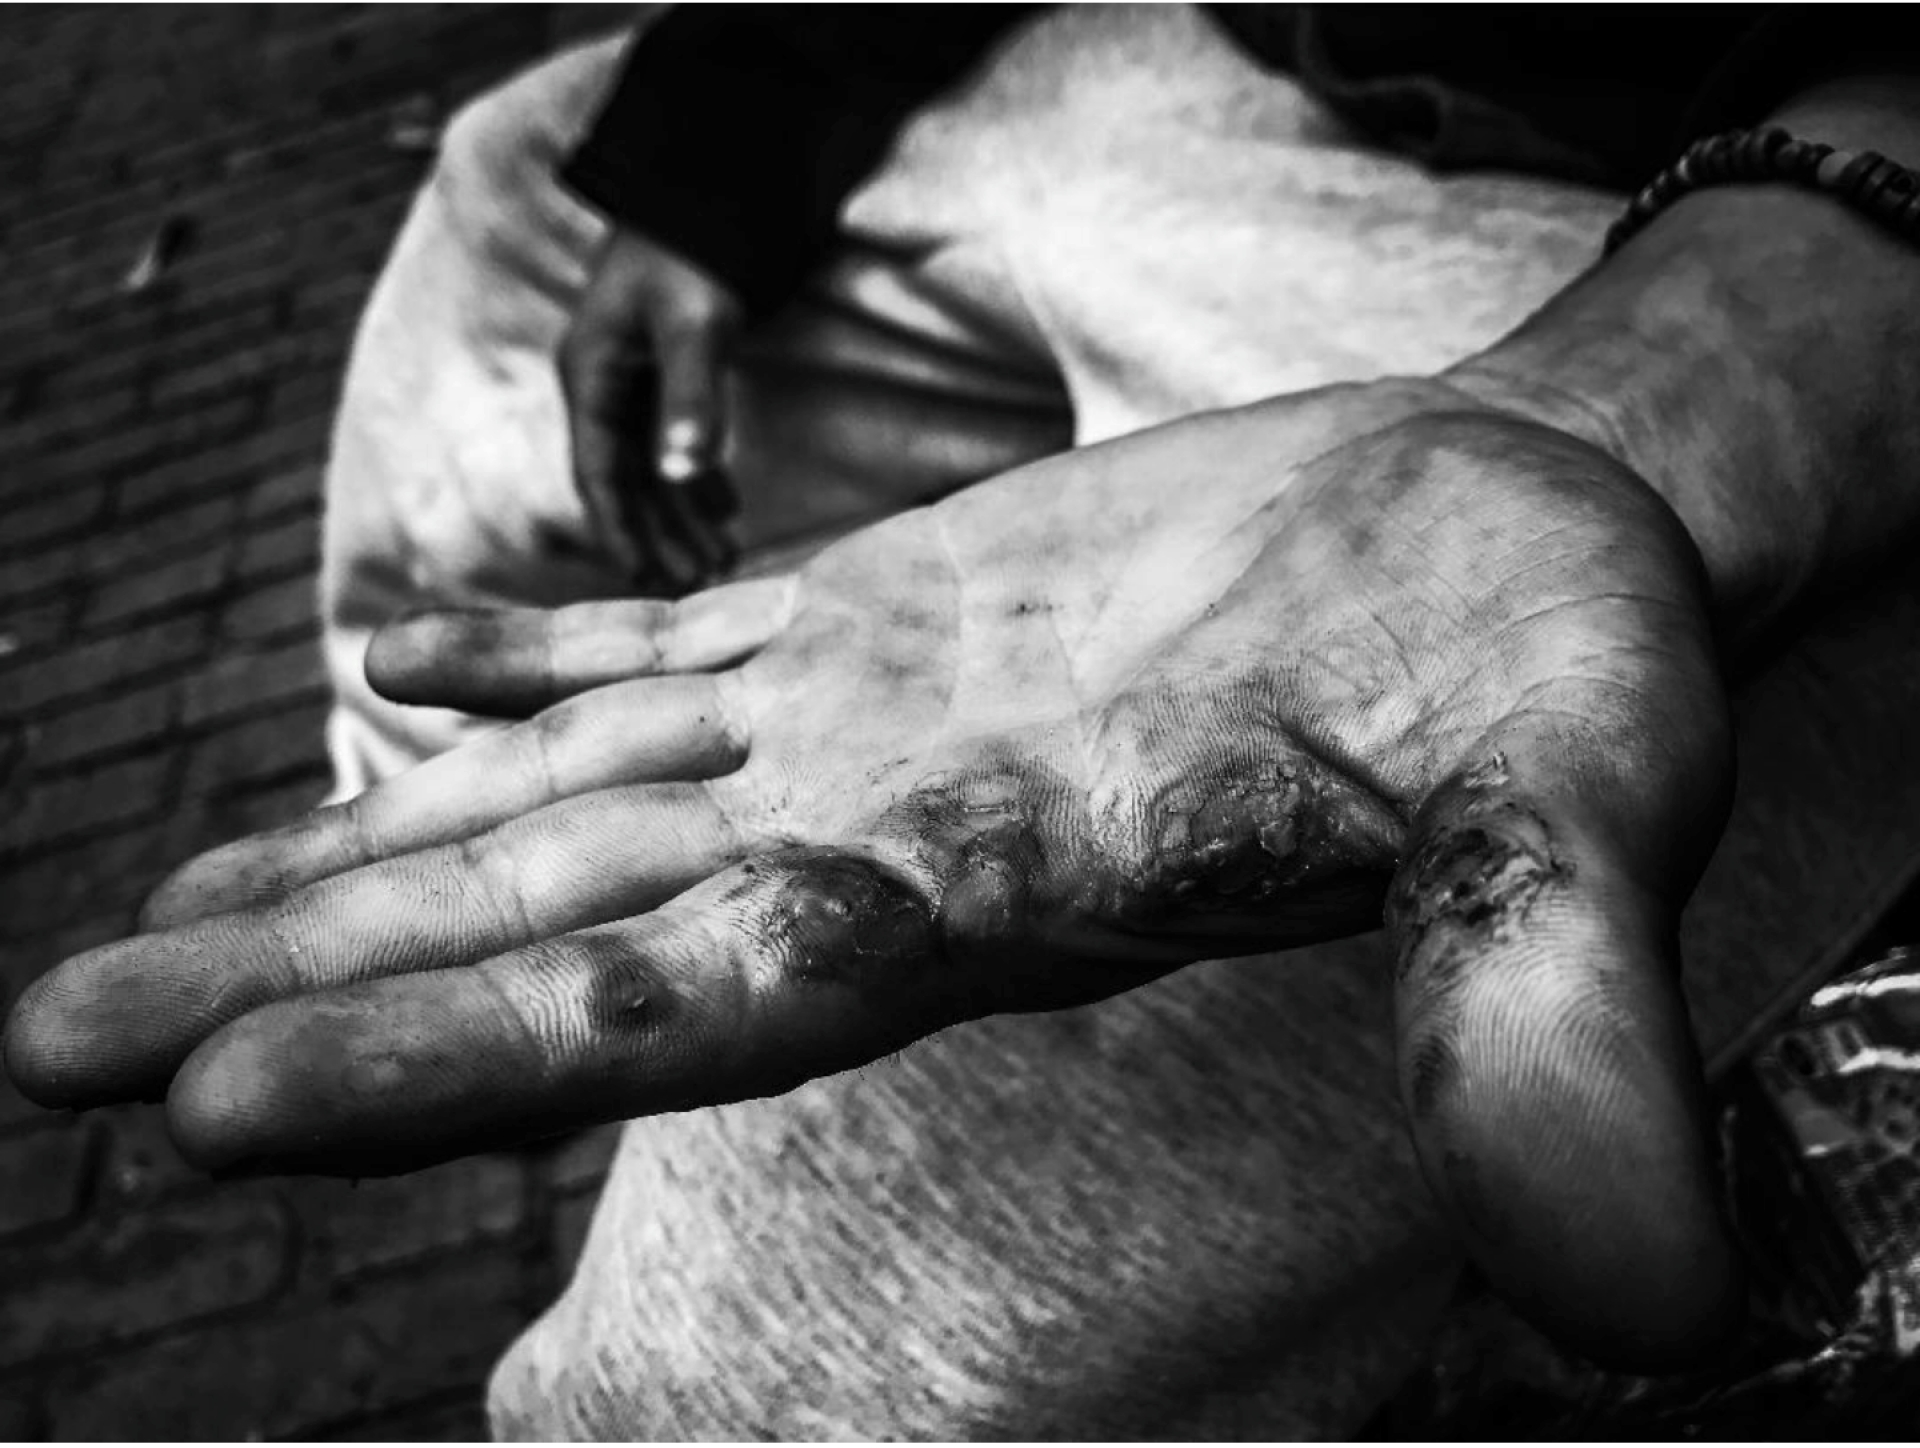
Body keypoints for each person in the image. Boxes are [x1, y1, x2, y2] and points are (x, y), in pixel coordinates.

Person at [10, 5, 1920, 1437]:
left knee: (779, 1334)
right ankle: (435, 912)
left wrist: (1659, 391)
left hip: (1737, 208)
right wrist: (713, 160)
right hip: (1235, 57)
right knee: (523, 185)